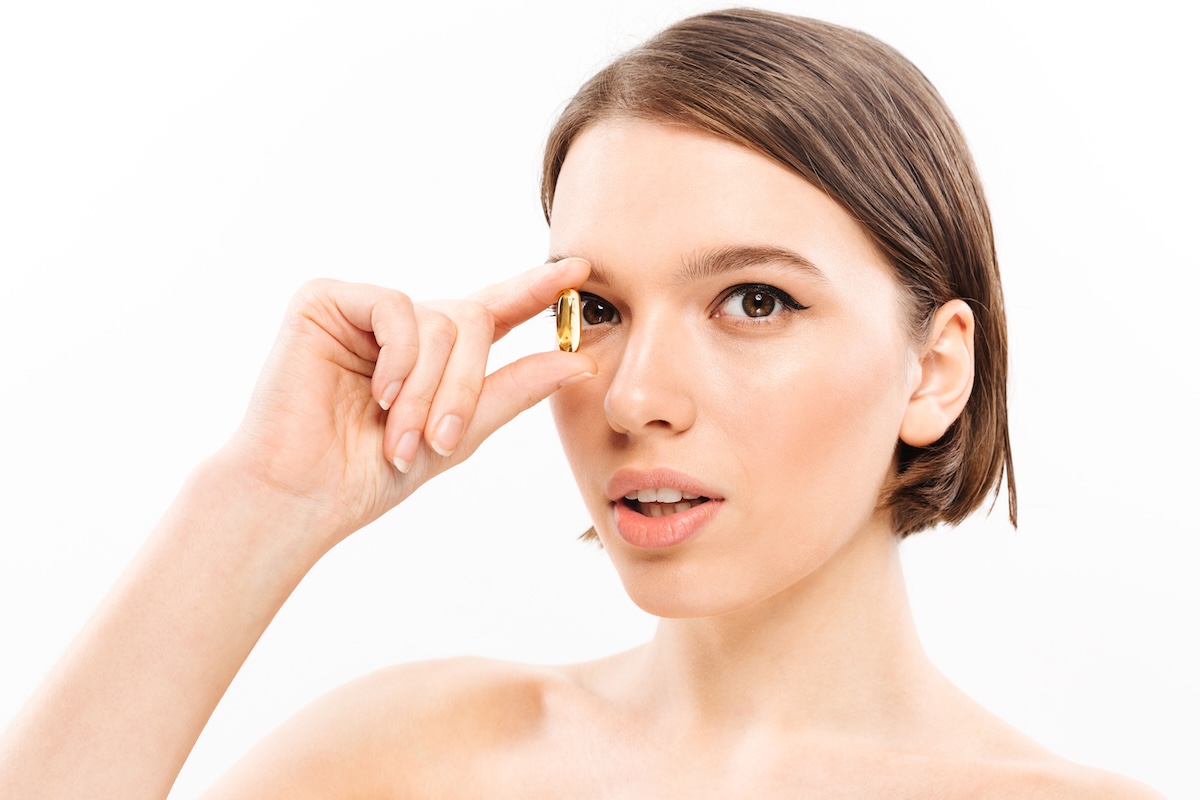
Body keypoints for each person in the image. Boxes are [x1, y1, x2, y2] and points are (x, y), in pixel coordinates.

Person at [0, 8, 1164, 798]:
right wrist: (259, 502)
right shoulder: (408, 758)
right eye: (596, 309)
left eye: (754, 300)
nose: (637, 395)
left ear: (936, 368)